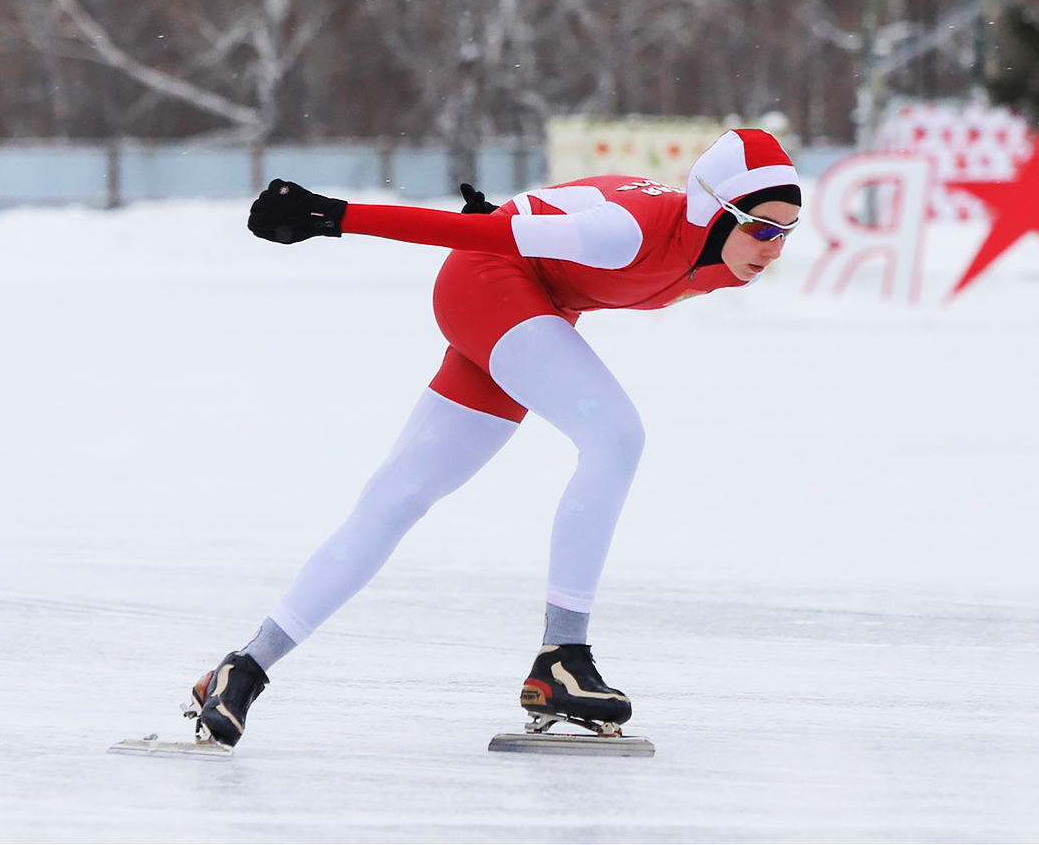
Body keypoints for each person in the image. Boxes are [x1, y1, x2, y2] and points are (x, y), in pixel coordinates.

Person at [186, 128, 803, 747]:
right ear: (712, 209)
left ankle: (243, 668)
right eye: (762, 227)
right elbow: (487, 234)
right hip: (490, 283)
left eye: (787, 231)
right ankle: (564, 657)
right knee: (616, 436)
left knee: (397, 496)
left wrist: (526, 211)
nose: (773, 249)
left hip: (535, 303)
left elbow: (572, 199)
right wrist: (337, 217)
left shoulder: (731, 262)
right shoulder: (628, 232)